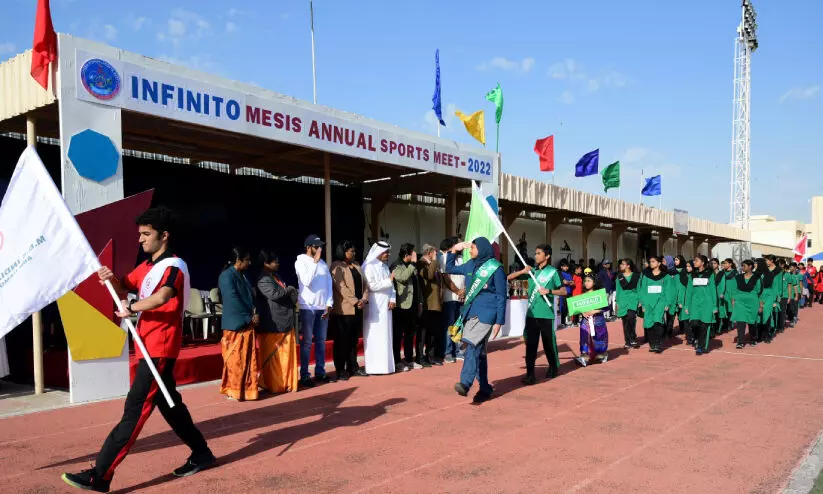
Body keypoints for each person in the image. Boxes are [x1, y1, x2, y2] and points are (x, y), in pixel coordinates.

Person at [62, 207, 214, 492]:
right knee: (171, 406)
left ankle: (100, 475)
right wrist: (109, 278)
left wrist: (131, 308)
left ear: (164, 236)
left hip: (160, 348)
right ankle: (202, 452)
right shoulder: (146, 267)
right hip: (147, 347)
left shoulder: (174, 267)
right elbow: (123, 286)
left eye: (146, 234)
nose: (140, 239)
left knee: (134, 410)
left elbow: (163, 296)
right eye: (140, 234)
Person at [446, 237, 506, 403]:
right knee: (479, 352)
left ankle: (465, 383)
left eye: (473, 247)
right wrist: (454, 250)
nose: (470, 250)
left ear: (482, 249)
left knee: (471, 345)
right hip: (470, 312)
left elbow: (501, 296)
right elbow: (449, 268)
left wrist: (499, 321)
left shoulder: (495, 268)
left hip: (487, 313)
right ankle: (485, 388)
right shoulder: (470, 264)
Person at [509, 244, 567, 385]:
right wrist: (522, 271)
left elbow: (564, 291)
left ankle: (553, 367)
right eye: (535, 253)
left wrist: (549, 291)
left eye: (539, 253)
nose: (536, 256)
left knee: (548, 344)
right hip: (532, 314)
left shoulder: (553, 272)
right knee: (531, 346)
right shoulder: (532, 272)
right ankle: (530, 375)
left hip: (546, 315)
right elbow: (509, 278)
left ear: (547, 256)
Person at [218, 247, 259, 401]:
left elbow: (249, 297)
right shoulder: (226, 276)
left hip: (247, 322)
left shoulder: (243, 275)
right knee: (235, 360)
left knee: (247, 360)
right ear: (238, 260)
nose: (250, 263)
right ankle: (234, 390)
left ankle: (247, 390)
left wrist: (254, 314)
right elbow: (232, 299)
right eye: (247, 260)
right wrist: (249, 318)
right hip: (236, 324)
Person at [255, 250, 299, 393]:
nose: (278, 264)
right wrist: (290, 289)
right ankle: (275, 385)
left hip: (284, 320)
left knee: (285, 357)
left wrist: (289, 291)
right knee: (275, 358)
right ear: (266, 263)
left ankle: (286, 382)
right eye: (275, 262)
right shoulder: (263, 279)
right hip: (273, 323)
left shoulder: (276, 276)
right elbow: (275, 294)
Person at [295, 234, 334, 388]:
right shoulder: (300, 262)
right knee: (306, 343)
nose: (319, 249)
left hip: (322, 307)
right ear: (308, 247)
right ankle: (305, 375)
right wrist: (315, 262)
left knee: (321, 341)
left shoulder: (323, 264)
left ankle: (320, 371)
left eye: (321, 247)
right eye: (316, 247)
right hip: (308, 308)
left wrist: (329, 303)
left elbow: (329, 285)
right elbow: (306, 281)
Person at [330, 241, 369, 380]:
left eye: (354, 251)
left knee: (353, 340)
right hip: (344, 310)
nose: (354, 253)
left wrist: (363, 299)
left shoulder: (357, 265)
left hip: (358, 308)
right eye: (351, 251)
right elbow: (340, 287)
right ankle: (340, 370)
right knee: (342, 341)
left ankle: (353, 367)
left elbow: (365, 284)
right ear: (343, 252)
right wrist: (355, 301)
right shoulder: (336, 266)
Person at [362, 241, 396, 374]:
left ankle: (386, 367)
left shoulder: (385, 267)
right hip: (374, 306)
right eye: (386, 252)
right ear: (379, 252)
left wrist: (392, 299)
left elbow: (392, 286)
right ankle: (374, 367)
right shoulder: (368, 266)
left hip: (386, 306)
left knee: (386, 335)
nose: (388, 255)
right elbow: (371, 286)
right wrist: (389, 281)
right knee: (374, 336)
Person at [392, 243, 423, 371]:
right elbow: (403, 278)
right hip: (400, 305)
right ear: (406, 254)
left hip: (413, 304)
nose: (414, 255)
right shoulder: (396, 265)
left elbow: (417, 285)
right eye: (412, 253)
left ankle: (409, 359)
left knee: (410, 334)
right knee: (398, 335)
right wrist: (413, 264)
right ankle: (397, 361)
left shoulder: (412, 266)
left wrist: (420, 302)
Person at [638, 255, 674, 353]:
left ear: (659, 263)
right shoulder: (646, 276)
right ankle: (652, 344)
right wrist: (643, 304)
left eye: (653, 261)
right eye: (650, 262)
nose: (651, 263)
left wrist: (667, 304)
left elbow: (668, 290)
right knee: (649, 323)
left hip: (660, 302)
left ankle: (658, 343)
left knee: (658, 321)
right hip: (648, 302)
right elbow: (642, 290)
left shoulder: (665, 276)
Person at [686, 255, 718, 356]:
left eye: (696, 260)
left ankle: (701, 346)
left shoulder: (710, 274)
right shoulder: (692, 275)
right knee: (694, 324)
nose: (694, 262)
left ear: (703, 262)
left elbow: (713, 290)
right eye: (694, 260)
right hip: (695, 304)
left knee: (704, 326)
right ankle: (696, 339)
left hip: (707, 304)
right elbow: (689, 291)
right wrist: (687, 305)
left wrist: (714, 306)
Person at [418, 244, 444, 366]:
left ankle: (431, 355)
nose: (436, 255)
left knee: (432, 331)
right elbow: (429, 275)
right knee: (423, 332)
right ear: (429, 253)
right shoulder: (421, 263)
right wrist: (433, 261)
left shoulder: (433, 264)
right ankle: (420, 357)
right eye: (435, 253)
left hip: (435, 303)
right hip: (426, 303)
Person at [440, 238, 465, 363]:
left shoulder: (461, 259)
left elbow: (465, 275)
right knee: (450, 325)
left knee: (458, 324)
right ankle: (448, 352)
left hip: (461, 297)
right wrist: (457, 291)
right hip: (450, 297)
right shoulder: (444, 258)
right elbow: (445, 278)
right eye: (459, 243)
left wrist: (464, 291)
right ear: (453, 245)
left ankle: (457, 350)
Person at [729, 259, 764, 349]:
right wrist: (733, 300)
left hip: (753, 303)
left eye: (744, 266)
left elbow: (760, 292)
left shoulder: (757, 278)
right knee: (740, 321)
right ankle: (740, 341)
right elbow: (734, 290)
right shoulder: (738, 277)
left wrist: (761, 305)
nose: (742, 267)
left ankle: (753, 338)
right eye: (742, 266)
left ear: (750, 266)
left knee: (752, 322)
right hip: (740, 302)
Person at [576, 274, 610, 366]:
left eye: (589, 281)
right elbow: (578, 308)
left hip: (598, 320)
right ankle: (585, 356)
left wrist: (594, 311)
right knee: (584, 337)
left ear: (594, 282)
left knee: (599, 337)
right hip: (585, 321)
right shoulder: (583, 295)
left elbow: (606, 307)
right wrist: (582, 312)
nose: (586, 283)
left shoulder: (599, 294)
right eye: (585, 281)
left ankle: (602, 354)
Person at [615, 258, 640, 349]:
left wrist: (640, 300)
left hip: (633, 300)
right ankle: (628, 341)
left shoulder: (636, 276)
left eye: (623, 264)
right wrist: (617, 302)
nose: (621, 265)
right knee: (625, 321)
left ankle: (633, 338)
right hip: (622, 300)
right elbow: (618, 290)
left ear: (628, 266)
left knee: (631, 318)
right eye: (621, 264)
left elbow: (639, 288)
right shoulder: (619, 277)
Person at [756, 257, 779, 344]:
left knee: (766, 314)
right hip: (758, 296)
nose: (755, 265)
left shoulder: (770, 274)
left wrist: (775, 300)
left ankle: (766, 335)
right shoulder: (755, 274)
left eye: (756, 263)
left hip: (768, 295)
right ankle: (758, 335)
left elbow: (774, 287)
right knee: (758, 316)